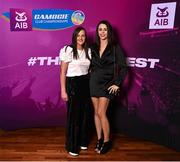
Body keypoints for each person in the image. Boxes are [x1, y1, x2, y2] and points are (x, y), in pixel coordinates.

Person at [89, 20, 128, 154]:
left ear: (109, 31)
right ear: (97, 31)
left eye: (105, 29)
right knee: (96, 113)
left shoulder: (115, 47)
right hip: (93, 83)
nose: (102, 32)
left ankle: (107, 141)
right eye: (100, 29)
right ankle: (99, 139)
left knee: (101, 112)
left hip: (107, 84)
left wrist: (117, 83)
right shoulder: (93, 47)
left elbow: (123, 68)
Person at [59, 27, 91, 156]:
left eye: (83, 35)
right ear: (74, 36)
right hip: (72, 84)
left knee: (85, 114)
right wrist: (63, 90)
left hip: (85, 83)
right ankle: (72, 145)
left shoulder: (88, 51)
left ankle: (82, 141)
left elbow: (89, 70)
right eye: (78, 35)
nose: (81, 38)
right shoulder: (68, 50)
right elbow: (62, 72)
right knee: (74, 117)